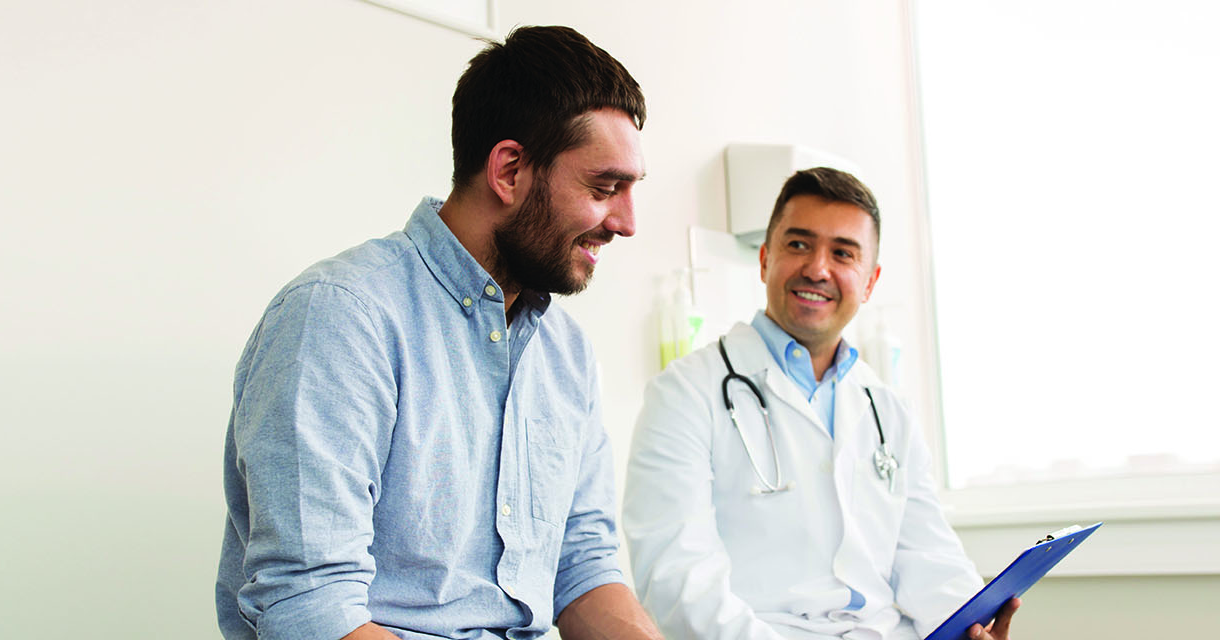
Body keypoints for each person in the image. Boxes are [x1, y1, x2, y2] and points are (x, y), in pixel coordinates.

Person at [215, 26, 662, 640]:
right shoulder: (340, 318)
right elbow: (311, 605)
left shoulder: (567, 354)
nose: (627, 223)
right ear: (509, 171)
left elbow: (581, 565)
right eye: (604, 188)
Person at [622, 168, 1020, 640]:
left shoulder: (889, 410)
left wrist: (969, 623)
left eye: (843, 253)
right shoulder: (684, 394)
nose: (817, 268)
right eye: (798, 245)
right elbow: (677, 583)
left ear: (870, 281)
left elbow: (929, 555)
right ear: (765, 259)